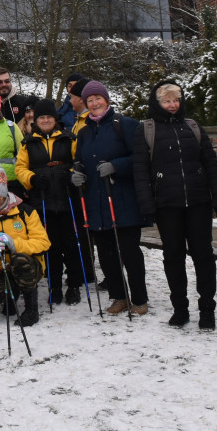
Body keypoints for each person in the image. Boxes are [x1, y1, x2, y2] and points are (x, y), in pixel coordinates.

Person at [133, 81, 217, 330]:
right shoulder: (146, 130)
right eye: (167, 101)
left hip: (198, 202)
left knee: (203, 256)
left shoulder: (193, 127)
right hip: (167, 204)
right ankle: (180, 308)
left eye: (176, 100)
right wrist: (147, 203)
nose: (172, 105)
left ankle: (207, 308)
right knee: (173, 257)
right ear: (158, 103)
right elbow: (140, 171)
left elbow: (211, 163)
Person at [71, 81, 150, 315]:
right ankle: (119, 296)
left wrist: (117, 165)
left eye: (98, 98)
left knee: (129, 251)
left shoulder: (125, 125)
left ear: (106, 100)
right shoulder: (84, 132)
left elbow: (141, 158)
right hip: (96, 201)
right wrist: (76, 174)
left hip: (122, 201)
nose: (94, 103)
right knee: (106, 255)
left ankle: (139, 298)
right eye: (90, 100)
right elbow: (80, 161)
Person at [15, 98, 91, 306]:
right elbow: (20, 168)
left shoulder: (68, 138)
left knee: (71, 245)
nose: (45, 120)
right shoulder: (28, 143)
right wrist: (31, 179)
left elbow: (78, 162)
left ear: (55, 119)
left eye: (49, 117)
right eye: (42, 117)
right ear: (36, 121)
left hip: (68, 198)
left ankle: (74, 284)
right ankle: (54, 286)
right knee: (51, 246)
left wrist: (73, 174)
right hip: (43, 200)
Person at [0, 163, 50, 326]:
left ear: (1, 194)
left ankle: (31, 310)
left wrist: (15, 244)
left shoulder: (24, 211)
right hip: (2, 268)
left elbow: (44, 242)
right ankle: (11, 294)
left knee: (20, 260)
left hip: (28, 266)